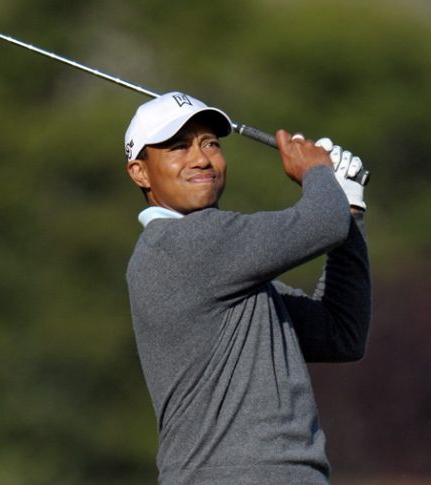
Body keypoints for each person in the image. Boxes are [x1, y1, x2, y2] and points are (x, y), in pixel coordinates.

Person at [124, 91, 371, 485]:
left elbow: (341, 335)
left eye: (210, 144)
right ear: (140, 172)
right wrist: (317, 172)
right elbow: (323, 223)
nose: (201, 158)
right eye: (178, 147)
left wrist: (351, 206)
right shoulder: (179, 244)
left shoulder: (231, 275)